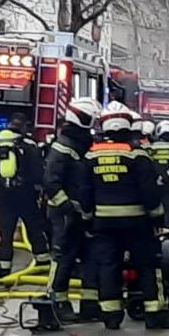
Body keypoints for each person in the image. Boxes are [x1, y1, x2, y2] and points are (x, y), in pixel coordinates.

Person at [75, 103, 169, 331]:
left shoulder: (91, 156)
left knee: (108, 266)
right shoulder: (137, 155)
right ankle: (155, 316)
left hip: (103, 224)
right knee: (149, 266)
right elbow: (149, 192)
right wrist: (158, 219)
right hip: (137, 223)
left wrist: (88, 218)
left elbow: (84, 192)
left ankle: (111, 317)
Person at [45, 97, 99, 321]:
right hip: (65, 215)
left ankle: (90, 305)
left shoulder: (80, 144)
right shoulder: (63, 146)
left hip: (81, 214)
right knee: (63, 257)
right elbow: (51, 181)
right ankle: (57, 301)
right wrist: (67, 208)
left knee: (89, 258)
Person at [0, 111, 51, 279]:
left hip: (4, 196)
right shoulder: (29, 145)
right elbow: (38, 173)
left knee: (5, 233)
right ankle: (43, 265)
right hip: (25, 195)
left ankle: (3, 269)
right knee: (34, 228)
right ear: (24, 126)